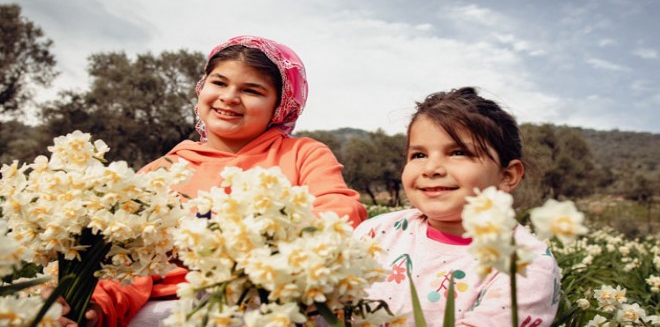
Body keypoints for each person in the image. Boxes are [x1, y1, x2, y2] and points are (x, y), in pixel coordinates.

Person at [73, 35, 368, 327]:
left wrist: (245, 252)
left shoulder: (303, 154)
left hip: (273, 300)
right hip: (166, 309)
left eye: (251, 90)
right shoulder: (161, 171)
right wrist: (97, 307)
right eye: (219, 83)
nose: (229, 97)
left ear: (280, 106)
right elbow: (125, 263)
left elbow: (340, 214)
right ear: (202, 88)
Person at [353, 87, 561, 326]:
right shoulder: (377, 231)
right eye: (418, 155)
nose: (431, 168)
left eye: (458, 152)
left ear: (507, 176)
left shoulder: (526, 264)